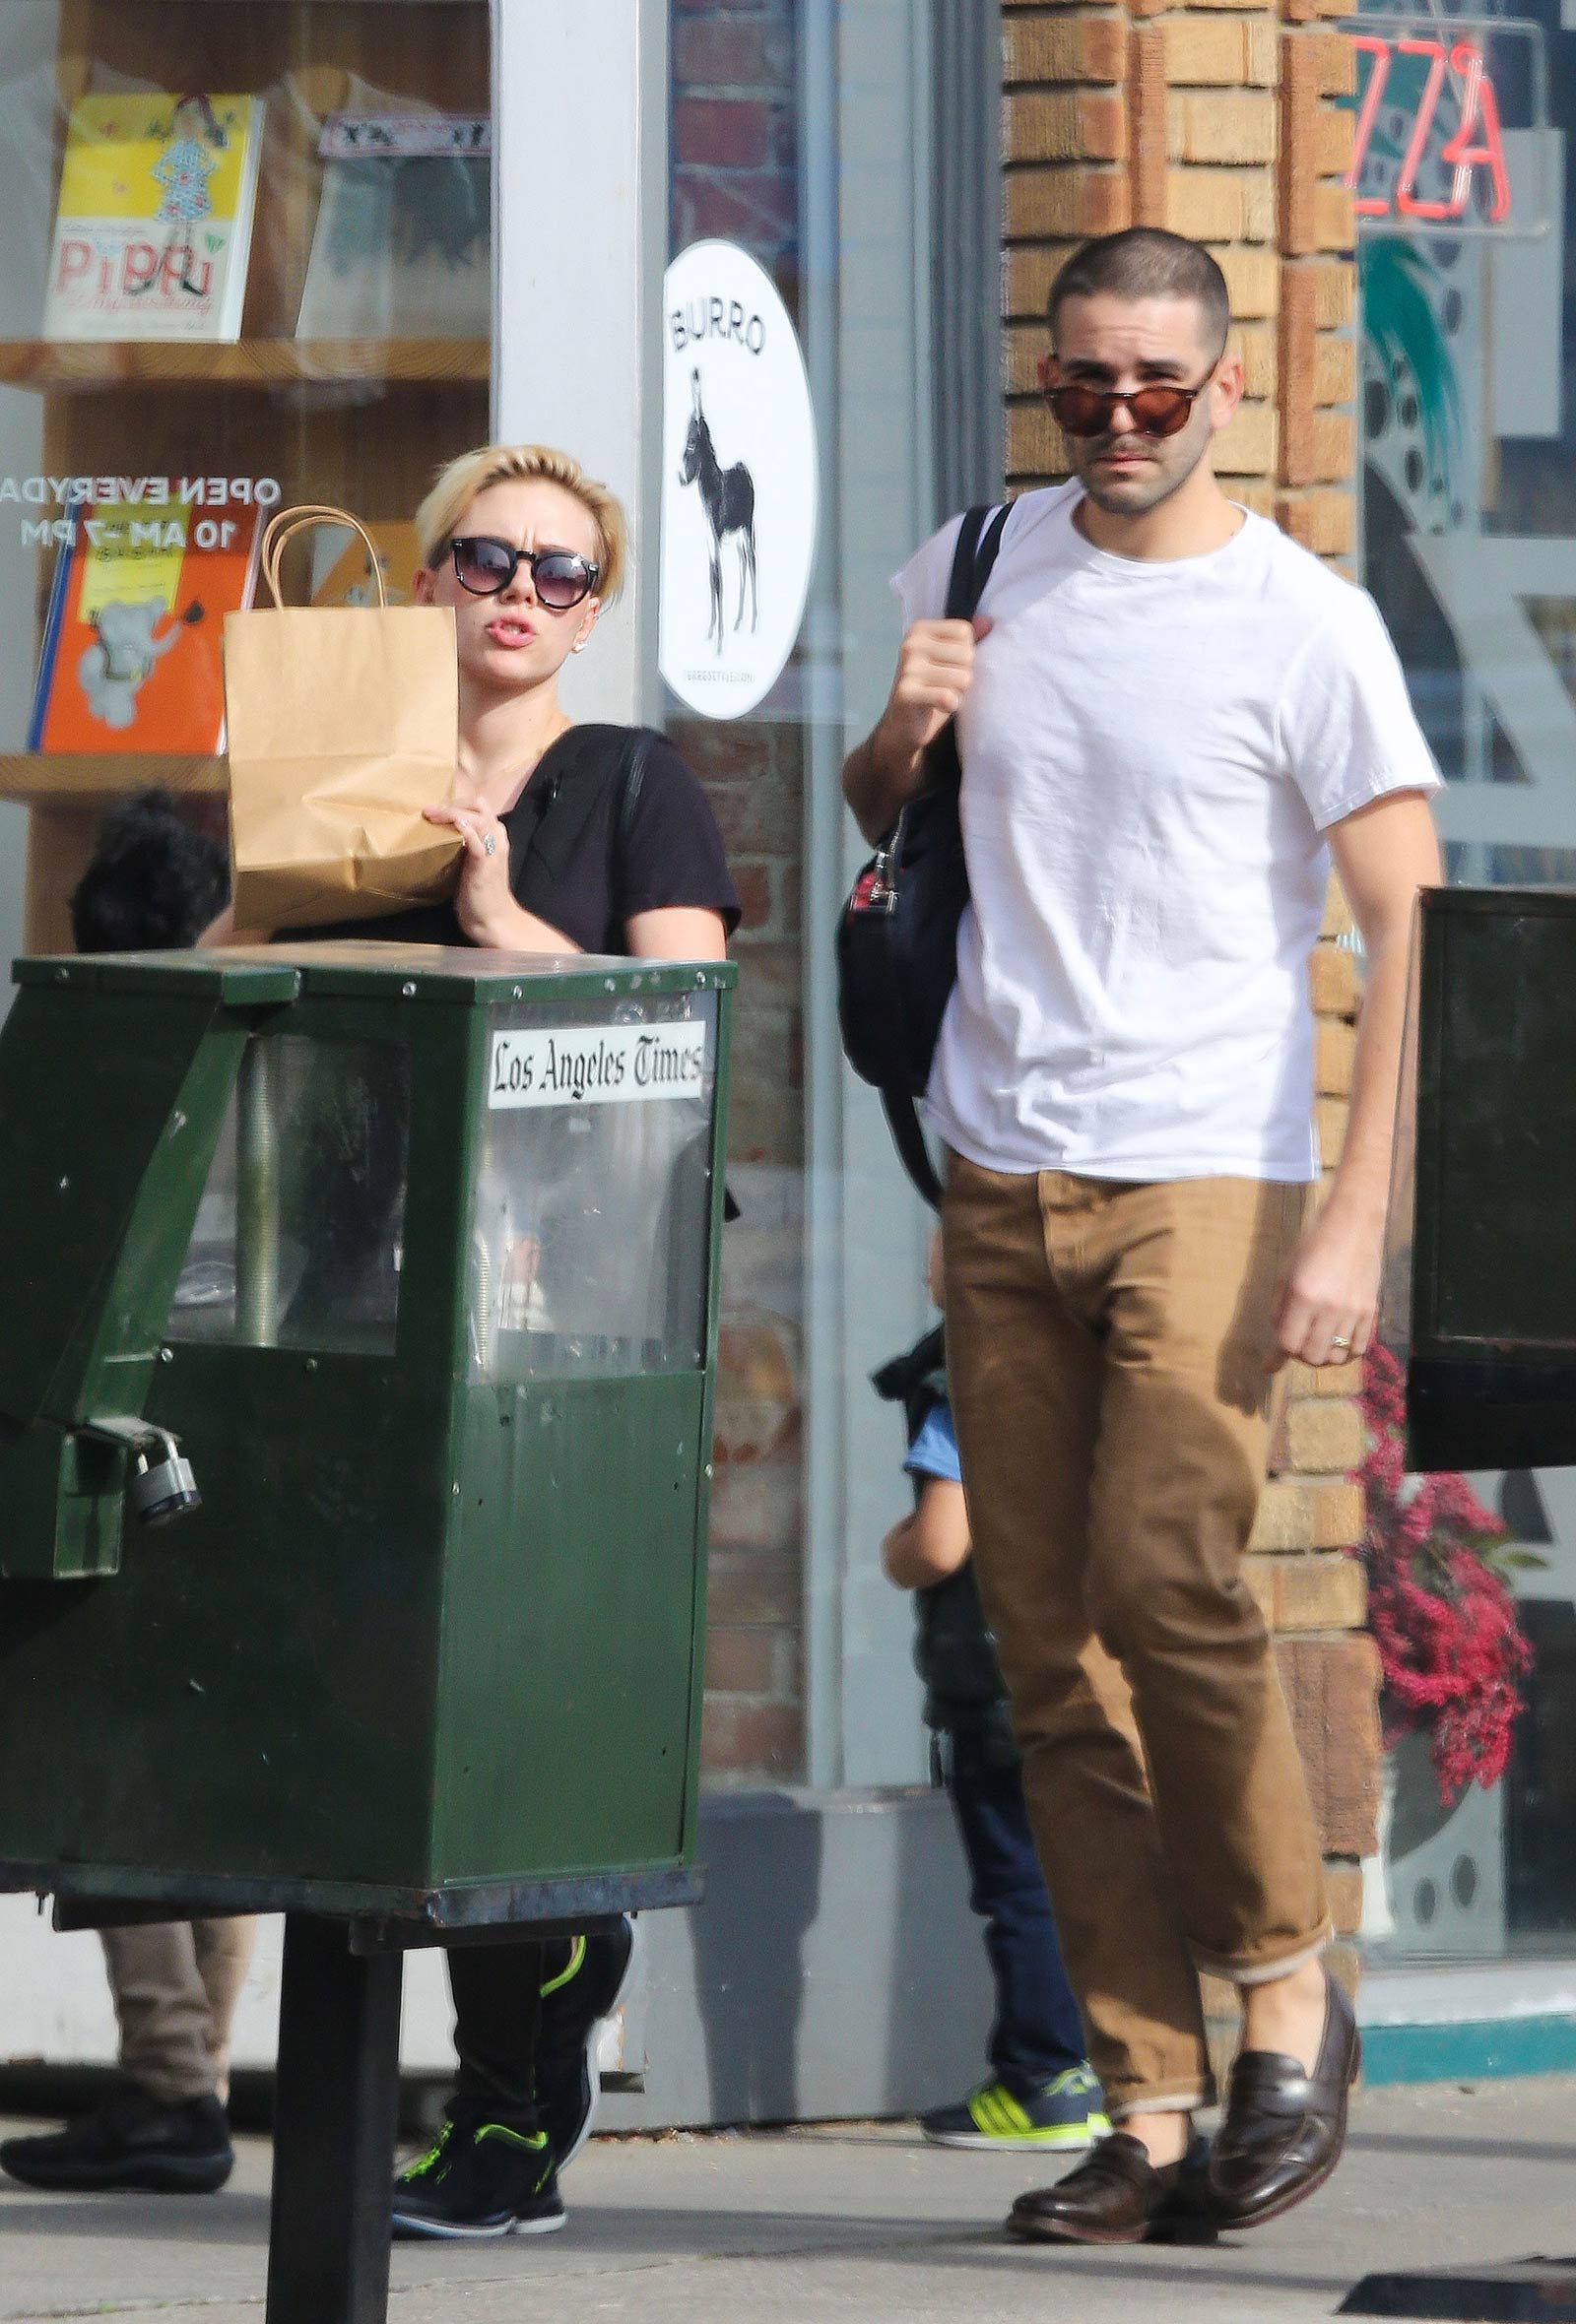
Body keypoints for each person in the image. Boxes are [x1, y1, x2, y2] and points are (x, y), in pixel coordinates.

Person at [842, 227, 1443, 2246]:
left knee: (1167, 1574)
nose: (1113, 420)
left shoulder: (1301, 623)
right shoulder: (972, 561)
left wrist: (1357, 1214)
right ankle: (1145, 2097)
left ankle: (1284, 1986)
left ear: (1221, 389)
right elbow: (878, 825)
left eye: (1152, 390)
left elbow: (1406, 924)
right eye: (1080, 384)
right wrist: (899, 732)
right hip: (995, 1168)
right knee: (1040, 1648)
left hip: (1210, 1165)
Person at [215, 442, 739, 2239]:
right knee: (375, 1686)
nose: (520, 594)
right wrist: (287, 864)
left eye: (563, 575)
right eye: (488, 560)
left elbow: (683, 1045)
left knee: (509, 1703)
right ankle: (449, 2088)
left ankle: (515, 2102)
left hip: (569, 1313)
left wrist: (508, 921)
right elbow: (233, 975)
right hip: (353, 1291)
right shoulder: (341, 765)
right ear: (425, 580)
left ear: (592, 621)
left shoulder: (632, 786)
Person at [0, 792, 251, 2199]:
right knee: (206, 1768)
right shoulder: (267, 1049)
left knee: (122, 1760)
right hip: (245, 1459)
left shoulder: (103, 1060)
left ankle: (173, 2081)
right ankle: (194, 2072)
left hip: (120, 1452)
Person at [874, 1233, 1108, 2156]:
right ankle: (1097, 2074)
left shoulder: (968, 1377)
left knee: (1020, 1886)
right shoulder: (1088, 1365)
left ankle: (1040, 2076)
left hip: (995, 1685)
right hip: (1082, 1668)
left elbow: (939, 1542)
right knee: (1083, 1880)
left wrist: (891, 1552)